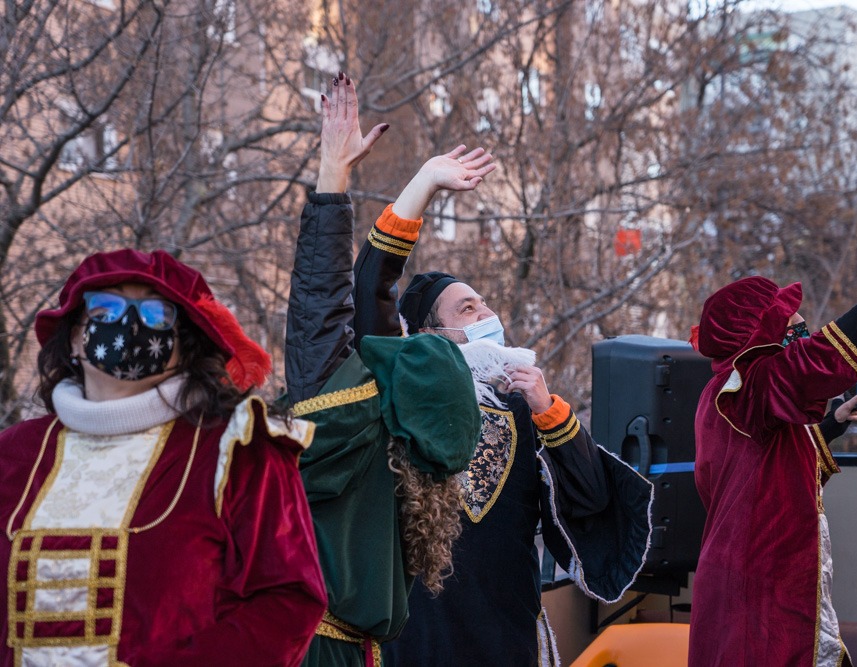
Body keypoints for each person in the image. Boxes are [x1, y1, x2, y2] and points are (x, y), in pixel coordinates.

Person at [348, 127, 654, 667]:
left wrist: (548, 409)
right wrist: (425, 183)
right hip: (417, 643)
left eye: (485, 304)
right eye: (468, 309)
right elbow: (369, 289)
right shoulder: (403, 400)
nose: (488, 314)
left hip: (508, 641)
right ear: (431, 336)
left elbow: (591, 501)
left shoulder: (523, 406)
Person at [0, 249, 327, 666]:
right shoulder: (14, 453)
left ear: (184, 343)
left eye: (155, 315)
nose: (129, 326)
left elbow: (285, 605)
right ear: (75, 337)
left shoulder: (239, 448)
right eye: (106, 310)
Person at [284, 72, 483, 667]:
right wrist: (421, 185)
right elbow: (370, 293)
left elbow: (320, 307)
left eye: (400, 350)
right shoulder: (420, 452)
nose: (382, 348)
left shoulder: (341, 427)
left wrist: (332, 176)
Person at [688, 210, 857, 667]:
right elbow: (824, 354)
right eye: (794, 329)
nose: (804, 336)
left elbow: (767, 475)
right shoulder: (747, 386)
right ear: (757, 336)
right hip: (757, 596)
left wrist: (831, 426)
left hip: (750, 584)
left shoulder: (731, 394)